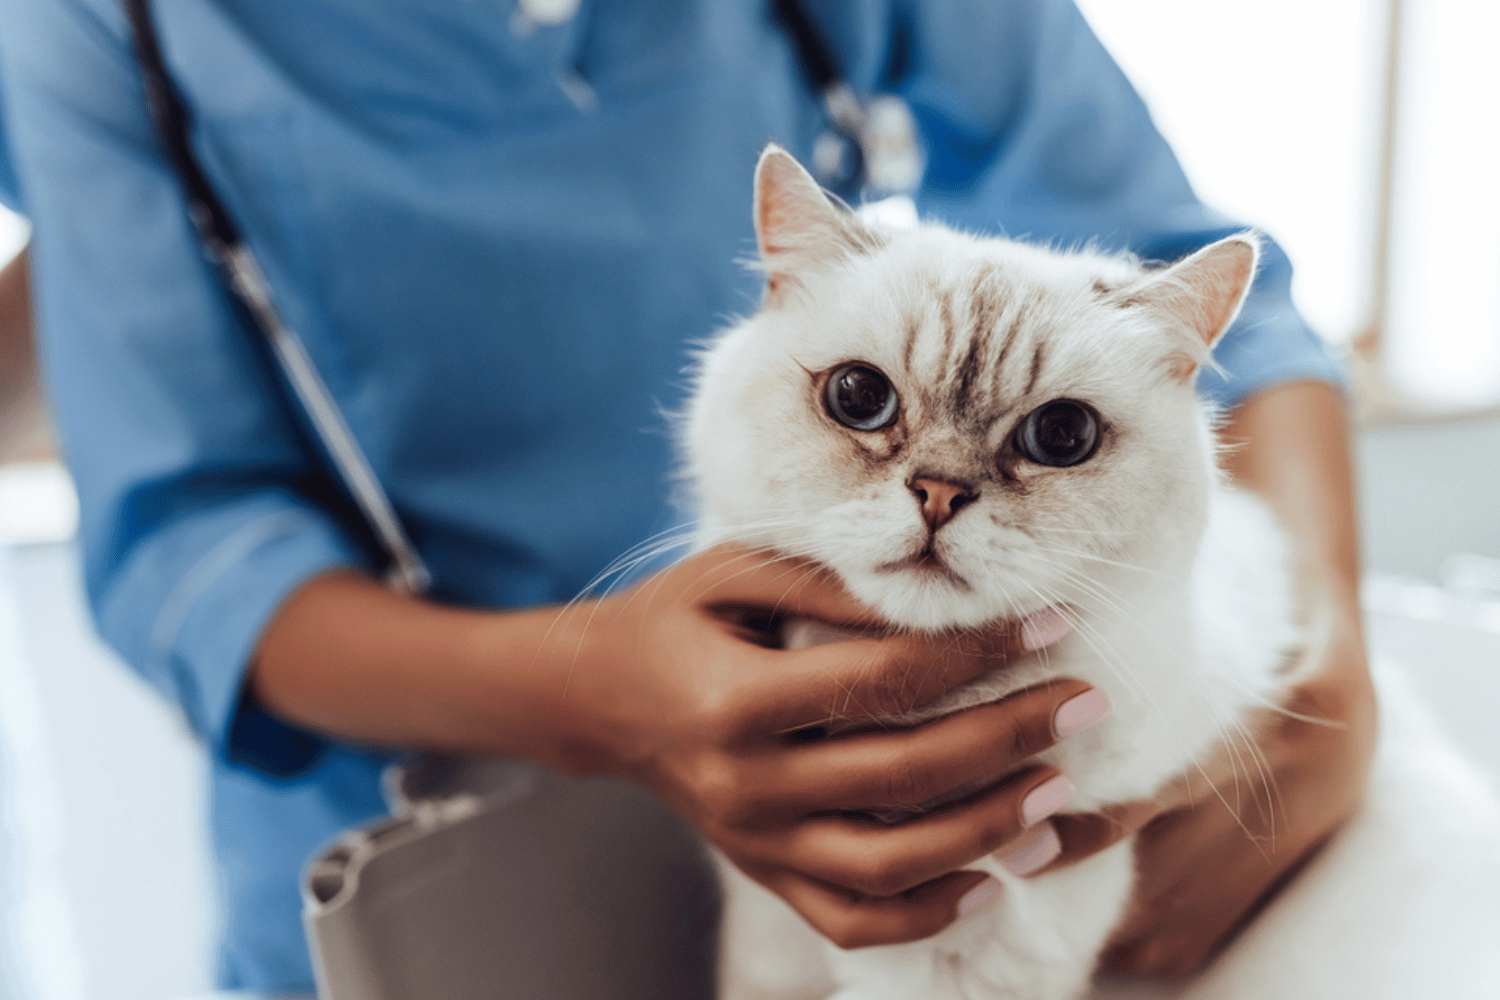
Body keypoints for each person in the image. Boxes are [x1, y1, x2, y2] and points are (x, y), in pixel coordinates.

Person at [0, 0, 1375, 992]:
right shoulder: (103, 26)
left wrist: (1326, 666)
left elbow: (1195, 291)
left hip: (940, 764)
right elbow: (192, 541)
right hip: (433, 821)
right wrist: (595, 686)